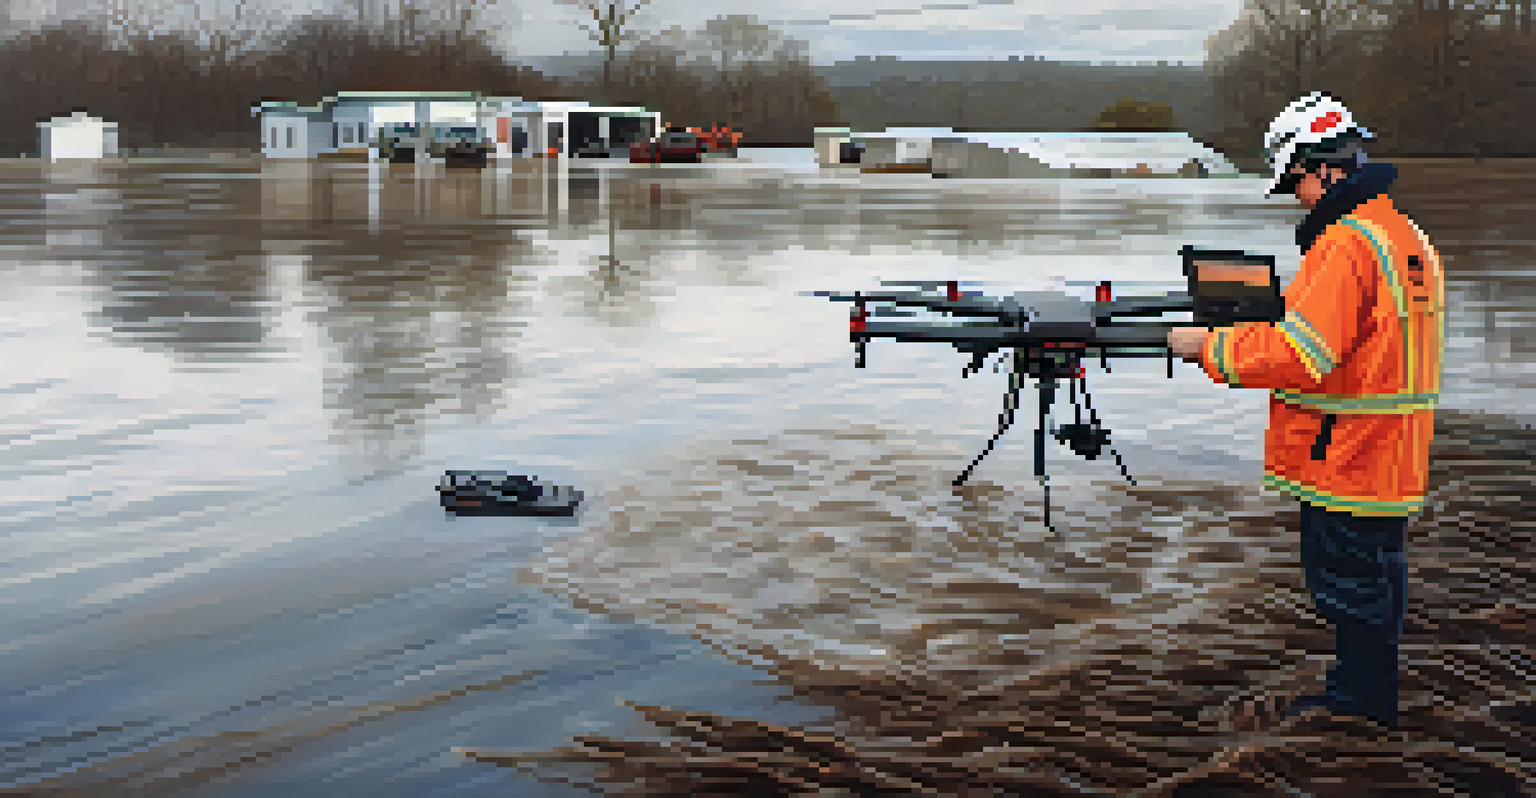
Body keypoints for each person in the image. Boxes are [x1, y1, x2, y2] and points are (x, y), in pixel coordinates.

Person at [1166, 92, 1446, 732]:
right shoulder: (1404, 234)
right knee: (1377, 581)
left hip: (1345, 452)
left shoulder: (1346, 244)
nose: (1295, 196)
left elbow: (1300, 355)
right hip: (1391, 454)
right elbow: (1355, 339)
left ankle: (1359, 710)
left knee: (1350, 586)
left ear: (1326, 170)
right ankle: (1365, 692)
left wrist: (1206, 345)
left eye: (1295, 181)